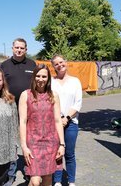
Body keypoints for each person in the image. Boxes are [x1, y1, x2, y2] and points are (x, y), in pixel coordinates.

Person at [18, 64, 65, 186]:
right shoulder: (25, 95)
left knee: (48, 178)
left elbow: (58, 120)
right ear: (33, 77)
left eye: (44, 76)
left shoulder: (53, 95)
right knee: (35, 181)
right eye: (38, 76)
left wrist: (62, 144)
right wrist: (23, 146)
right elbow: (22, 122)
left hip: (51, 142)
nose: (41, 79)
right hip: (33, 142)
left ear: (48, 78)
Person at [0, 37, 36, 185]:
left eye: (22, 48)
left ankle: (30, 171)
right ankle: (10, 173)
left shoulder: (32, 64)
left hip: (29, 110)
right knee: (11, 143)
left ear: (26, 49)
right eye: (17, 47)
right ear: (12, 48)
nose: (19, 50)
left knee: (30, 141)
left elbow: (38, 84)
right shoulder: (4, 65)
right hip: (9, 109)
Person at [51, 55, 82, 186]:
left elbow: (78, 103)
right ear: (53, 67)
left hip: (71, 123)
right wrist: (58, 119)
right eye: (56, 64)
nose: (59, 65)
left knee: (69, 153)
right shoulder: (51, 81)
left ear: (66, 62)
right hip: (54, 122)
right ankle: (57, 181)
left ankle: (71, 181)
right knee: (57, 152)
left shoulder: (75, 81)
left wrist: (67, 118)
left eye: (61, 62)